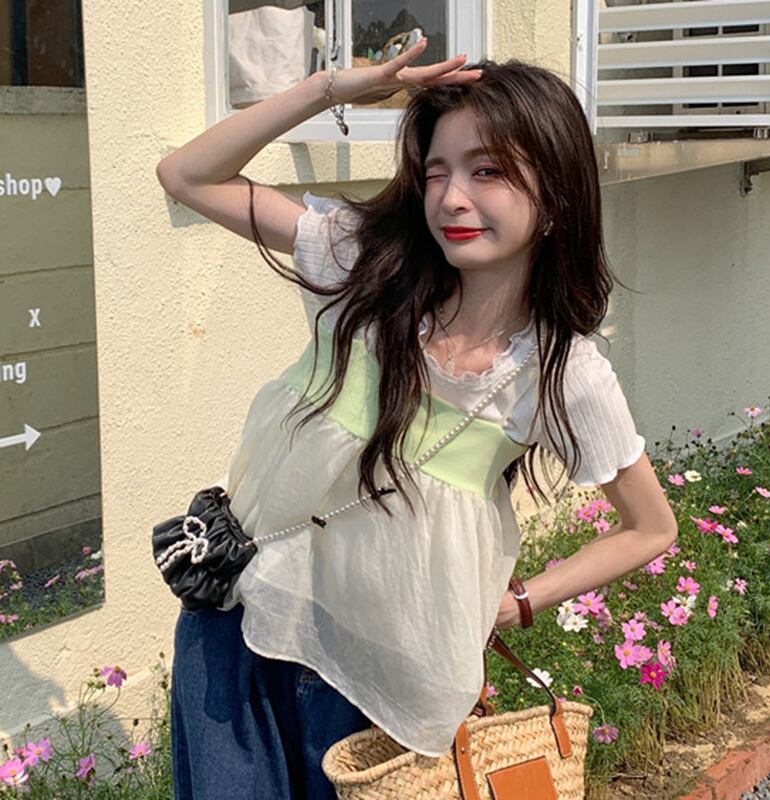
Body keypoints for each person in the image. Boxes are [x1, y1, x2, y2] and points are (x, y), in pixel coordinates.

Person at [156, 40, 679, 800]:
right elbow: (187, 175)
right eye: (437, 171)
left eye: (487, 171)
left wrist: (518, 603)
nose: (452, 198)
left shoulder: (560, 373)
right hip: (238, 630)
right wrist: (333, 88)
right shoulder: (362, 269)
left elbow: (651, 527)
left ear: (557, 193)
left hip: (376, 683)